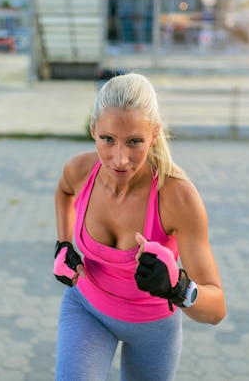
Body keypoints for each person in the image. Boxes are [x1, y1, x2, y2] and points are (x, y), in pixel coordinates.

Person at [53, 72, 226, 380]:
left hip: (153, 330)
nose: (120, 159)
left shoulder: (177, 197)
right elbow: (64, 193)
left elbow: (216, 310)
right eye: (107, 139)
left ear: (154, 134)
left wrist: (178, 287)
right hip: (86, 309)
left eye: (134, 142)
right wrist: (63, 244)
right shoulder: (79, 169)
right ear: (93, 129)